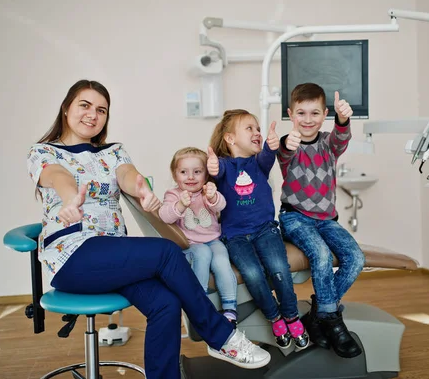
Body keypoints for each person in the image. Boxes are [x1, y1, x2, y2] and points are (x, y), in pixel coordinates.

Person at [26, 80, 270, 379]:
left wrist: (140, 187)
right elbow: (58, 176)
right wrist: (69, 198)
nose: (92, 114)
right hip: (73, 257)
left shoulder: (112, 152)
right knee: (167, 252)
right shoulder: (44, 152)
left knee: (166, 305)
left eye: (101, 110)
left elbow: (127, 174)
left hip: (113, 257)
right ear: (66, 109)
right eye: (84, 106)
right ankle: (221, 337)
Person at [276, 82, 365, 359]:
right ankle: (333, 322)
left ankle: (318, 314)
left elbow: (341, 137)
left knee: (356, 258)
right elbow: (283, 152)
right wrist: (284, 143)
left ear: (324, 113)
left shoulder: (328, 143)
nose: (307, 119)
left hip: (327, 220)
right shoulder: (289, 145)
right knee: (322, 255)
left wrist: (342, 118)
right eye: (301, 113)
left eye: (315, 113)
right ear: (291, 114)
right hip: (295, 218)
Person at [207, 109, 309, 350]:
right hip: (235, 236)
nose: (257, 132)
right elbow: (215, 170)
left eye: (258, 129)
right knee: (253, 273)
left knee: (279, 268)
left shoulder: (259, 163)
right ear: (230, 139)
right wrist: (211, 165)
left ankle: (291, 315)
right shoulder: (223, 166)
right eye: (249, 128)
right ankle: (274, 317)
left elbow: (267, 153)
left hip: (265, 230)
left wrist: (272, 144)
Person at [159, 147, 238, 325]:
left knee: (221, 263)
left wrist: (213, 197)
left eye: (197, 172)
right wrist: (179, 205)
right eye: (184, 172)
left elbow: (221, 206)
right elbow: (164, 216)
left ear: (205, 175)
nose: (191, 177)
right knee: (202, 253)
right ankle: (198, 303)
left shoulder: (206, 192)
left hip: (213, 240)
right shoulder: (173, 195)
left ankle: (230, 308)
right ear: (175, 175)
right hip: (190, 245)